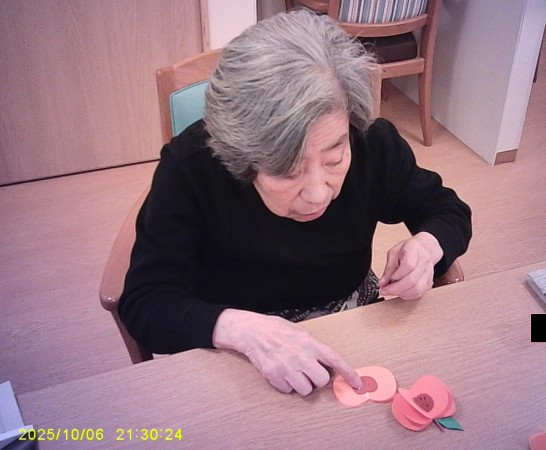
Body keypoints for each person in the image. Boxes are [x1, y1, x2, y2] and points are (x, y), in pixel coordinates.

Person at [119, 9, 471, 396]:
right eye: (288, 172)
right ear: (240, 157)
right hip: (239, 346)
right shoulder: (193, 168)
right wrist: (240, 331)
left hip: (350, 323)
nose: (319, 193)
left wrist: (427, 247)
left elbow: (447, 209)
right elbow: (145, 302)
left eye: (334, 159)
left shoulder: (371, 143)